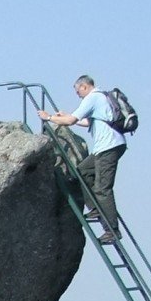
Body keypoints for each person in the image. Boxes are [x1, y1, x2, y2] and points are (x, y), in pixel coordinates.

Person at [40, 75, 125, 244]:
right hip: (106, 147)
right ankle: (95, 208)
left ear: (85, 86)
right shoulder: (101, 98)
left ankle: (112, 231)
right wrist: (66, 115)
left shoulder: (93, 97)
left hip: (108, 148)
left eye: (78, 90)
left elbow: (71, 121)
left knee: (102, 189)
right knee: (82, 171)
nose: (78, 94)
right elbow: (87, 122)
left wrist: (49, 117)